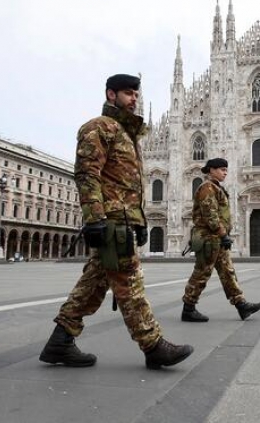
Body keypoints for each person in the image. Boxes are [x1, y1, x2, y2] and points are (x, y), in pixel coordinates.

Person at [39, 74, 193, 369]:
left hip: (123, 221)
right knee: (129, 283)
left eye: (136, 94)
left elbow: (130, 186)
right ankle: (153, 345)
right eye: (127, 93)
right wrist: (94, 218)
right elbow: (87, 175)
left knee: (94, 284)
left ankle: (60, 341)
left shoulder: (128, 134)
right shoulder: (99, 128)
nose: (133, 98)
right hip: (110, 223)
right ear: (111, 95)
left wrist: (141, 220)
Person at [181, 158, 260, 322]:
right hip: (208, 239)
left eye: (226, 170)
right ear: (211, 170)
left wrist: (223, 235)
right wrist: (223, 234)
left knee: (228, 272)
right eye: (221, 169)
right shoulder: (207, 188)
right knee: (202, 273)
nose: (225, 172)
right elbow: (210, 215)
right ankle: (188, 308)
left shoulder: (216, 187)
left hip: (216, 239)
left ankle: (241, 305)